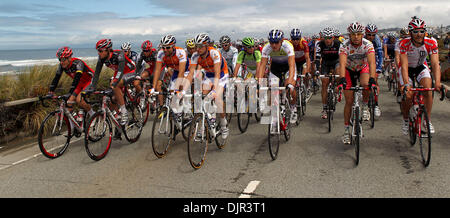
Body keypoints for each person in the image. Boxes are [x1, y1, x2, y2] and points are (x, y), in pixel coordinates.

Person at [399, 17, 441, 135]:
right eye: (415, 31)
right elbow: (404, 65)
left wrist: (437, 83)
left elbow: (435, 64)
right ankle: (406, 120)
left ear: (425, 32)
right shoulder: (404, 43)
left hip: (420, 67)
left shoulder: (431, 42)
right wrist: (406, 84)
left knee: (428, 89)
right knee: (408, 94)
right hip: (407, 68)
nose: (419, 34)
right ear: (410, 33)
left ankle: (427, 121)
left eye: (421, 31)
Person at [337, 22, 377, 144]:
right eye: (353, 34)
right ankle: (346, 130)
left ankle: (365, 106)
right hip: (348, 70)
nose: (355, 36)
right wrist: (342, 79)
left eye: (358, 34)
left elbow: (371, 63)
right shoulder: (344, 45)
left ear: (362, 35)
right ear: (349, 35)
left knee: (366, 85)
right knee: (349, 101)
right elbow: (342, 64)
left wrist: (373, 79)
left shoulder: (368, 44)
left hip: (362, 68)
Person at [84, 39, 136, 126]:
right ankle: (118, 117)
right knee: (111, 99)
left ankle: (124, 113)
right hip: (119, 73)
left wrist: (115, 82)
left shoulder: (119, 55)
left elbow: (120, 70)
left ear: (108, 50)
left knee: (114, 85)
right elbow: (96, 73)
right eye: (98, 51)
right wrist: (92, 87)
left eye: (100, 51)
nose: (98, 53)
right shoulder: (102, 58)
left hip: (130, 71)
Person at [188, 33, 229, 139]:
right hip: (208, 75)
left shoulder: (214, 53)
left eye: (201, 46)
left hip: (221, 75)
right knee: (202, 96)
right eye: (196, 46)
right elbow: (191, 73)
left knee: (217, 98)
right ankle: (206, 123)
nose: (198, 49)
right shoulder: (195, 55)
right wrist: (184, 89)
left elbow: (217, 73)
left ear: (207, 46)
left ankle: (224, 125)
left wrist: (214, 90)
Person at [49, 47, 95, 131]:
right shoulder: (62, 65)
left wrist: (70, 92)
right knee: (69, 103)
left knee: (79, 100)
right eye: (60, 60)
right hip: (79, 84)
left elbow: (76, 78)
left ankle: (93, 115)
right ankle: (72, 127)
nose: (61, 62)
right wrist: (51, 91)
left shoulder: (78, 63)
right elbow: (56, 78)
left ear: (69, 58)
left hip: (90, 81)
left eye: (63, 59)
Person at [257, 29, 297, 123]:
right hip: (275, 69)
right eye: (271, 42)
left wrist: (290, 80)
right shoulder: (266, 48)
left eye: (276, 42)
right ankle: (276, 112)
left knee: (290, 88)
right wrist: (259, 82)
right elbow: (262, 66)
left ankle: (293, 108)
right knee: (273, 90)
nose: (273, 45)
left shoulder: (288, 46)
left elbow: (291, 65)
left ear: (281, 41)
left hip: (288, 68)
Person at [315, 27, 341, 119]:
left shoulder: (338, 44)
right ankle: (325, 108)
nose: (327, 40)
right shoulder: (320, 44)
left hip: (336, 61)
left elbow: (342, 58)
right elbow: (317, 58)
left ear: (333, 38)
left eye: (329, 38)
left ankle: (337, 89)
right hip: (325, 63)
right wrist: (317, 70)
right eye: (325, 38)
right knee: (324, 84)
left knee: (338, 73)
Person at [364, 23, 383, 118]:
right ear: (365, 33)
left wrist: (379, 68)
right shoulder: (361, 39)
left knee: (375, 81)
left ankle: (376, 105)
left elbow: (380, 55)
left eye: (373, 34)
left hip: (373, 59)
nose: (371, 37)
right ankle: (365, 106)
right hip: (363, 59)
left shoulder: (377, 40)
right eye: (369, 34)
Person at [134, 40, 157, 109]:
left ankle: (155, 95)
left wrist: (152, 76)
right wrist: (136, 74)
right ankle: (144, 95)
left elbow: (156, 67)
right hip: (150, 68)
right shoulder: (142, 54)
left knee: (154, 79)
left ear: (150, 50)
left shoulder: (154, 53)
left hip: (158, 68)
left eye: (147, 51)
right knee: (141, 77)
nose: (145, 52)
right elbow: (138, 65)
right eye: (144, 50)